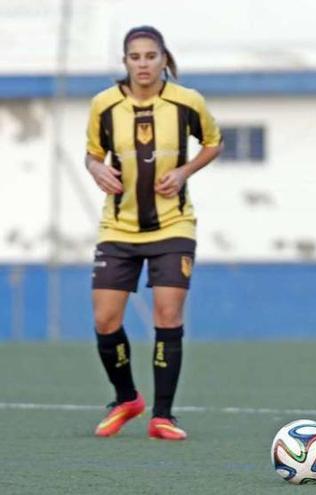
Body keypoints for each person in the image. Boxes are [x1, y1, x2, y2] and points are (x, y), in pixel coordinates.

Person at [85, 26, 222, 440]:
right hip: (118, 227)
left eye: (150, 56)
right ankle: (126, 397)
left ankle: (163, 415)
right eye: (135, 57)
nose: (143, 64)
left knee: (167, 314)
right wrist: (96, 170)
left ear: (164, 59)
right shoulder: (104, 105)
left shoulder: (187, 102)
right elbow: (92, 154)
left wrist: (184, 171)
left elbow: (212, 143)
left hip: (173, 226)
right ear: (125, 62)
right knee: (106, 320)